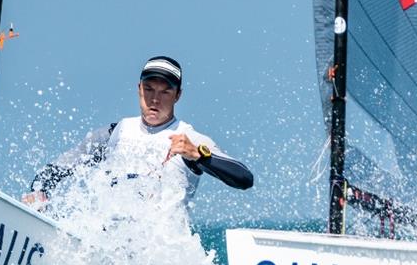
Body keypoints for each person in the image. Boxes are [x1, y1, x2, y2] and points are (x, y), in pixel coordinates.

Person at [23, 55, 253, 207]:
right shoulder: (115, 133)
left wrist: (200, 156)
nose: (154, 99)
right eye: (149, 89)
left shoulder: (189, 138)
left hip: (159, 257)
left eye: (165, 92)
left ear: (178, 95)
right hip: (108, 249)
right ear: (138, 89)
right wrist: (39, 192)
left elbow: (244, 178)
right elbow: (60, 167)